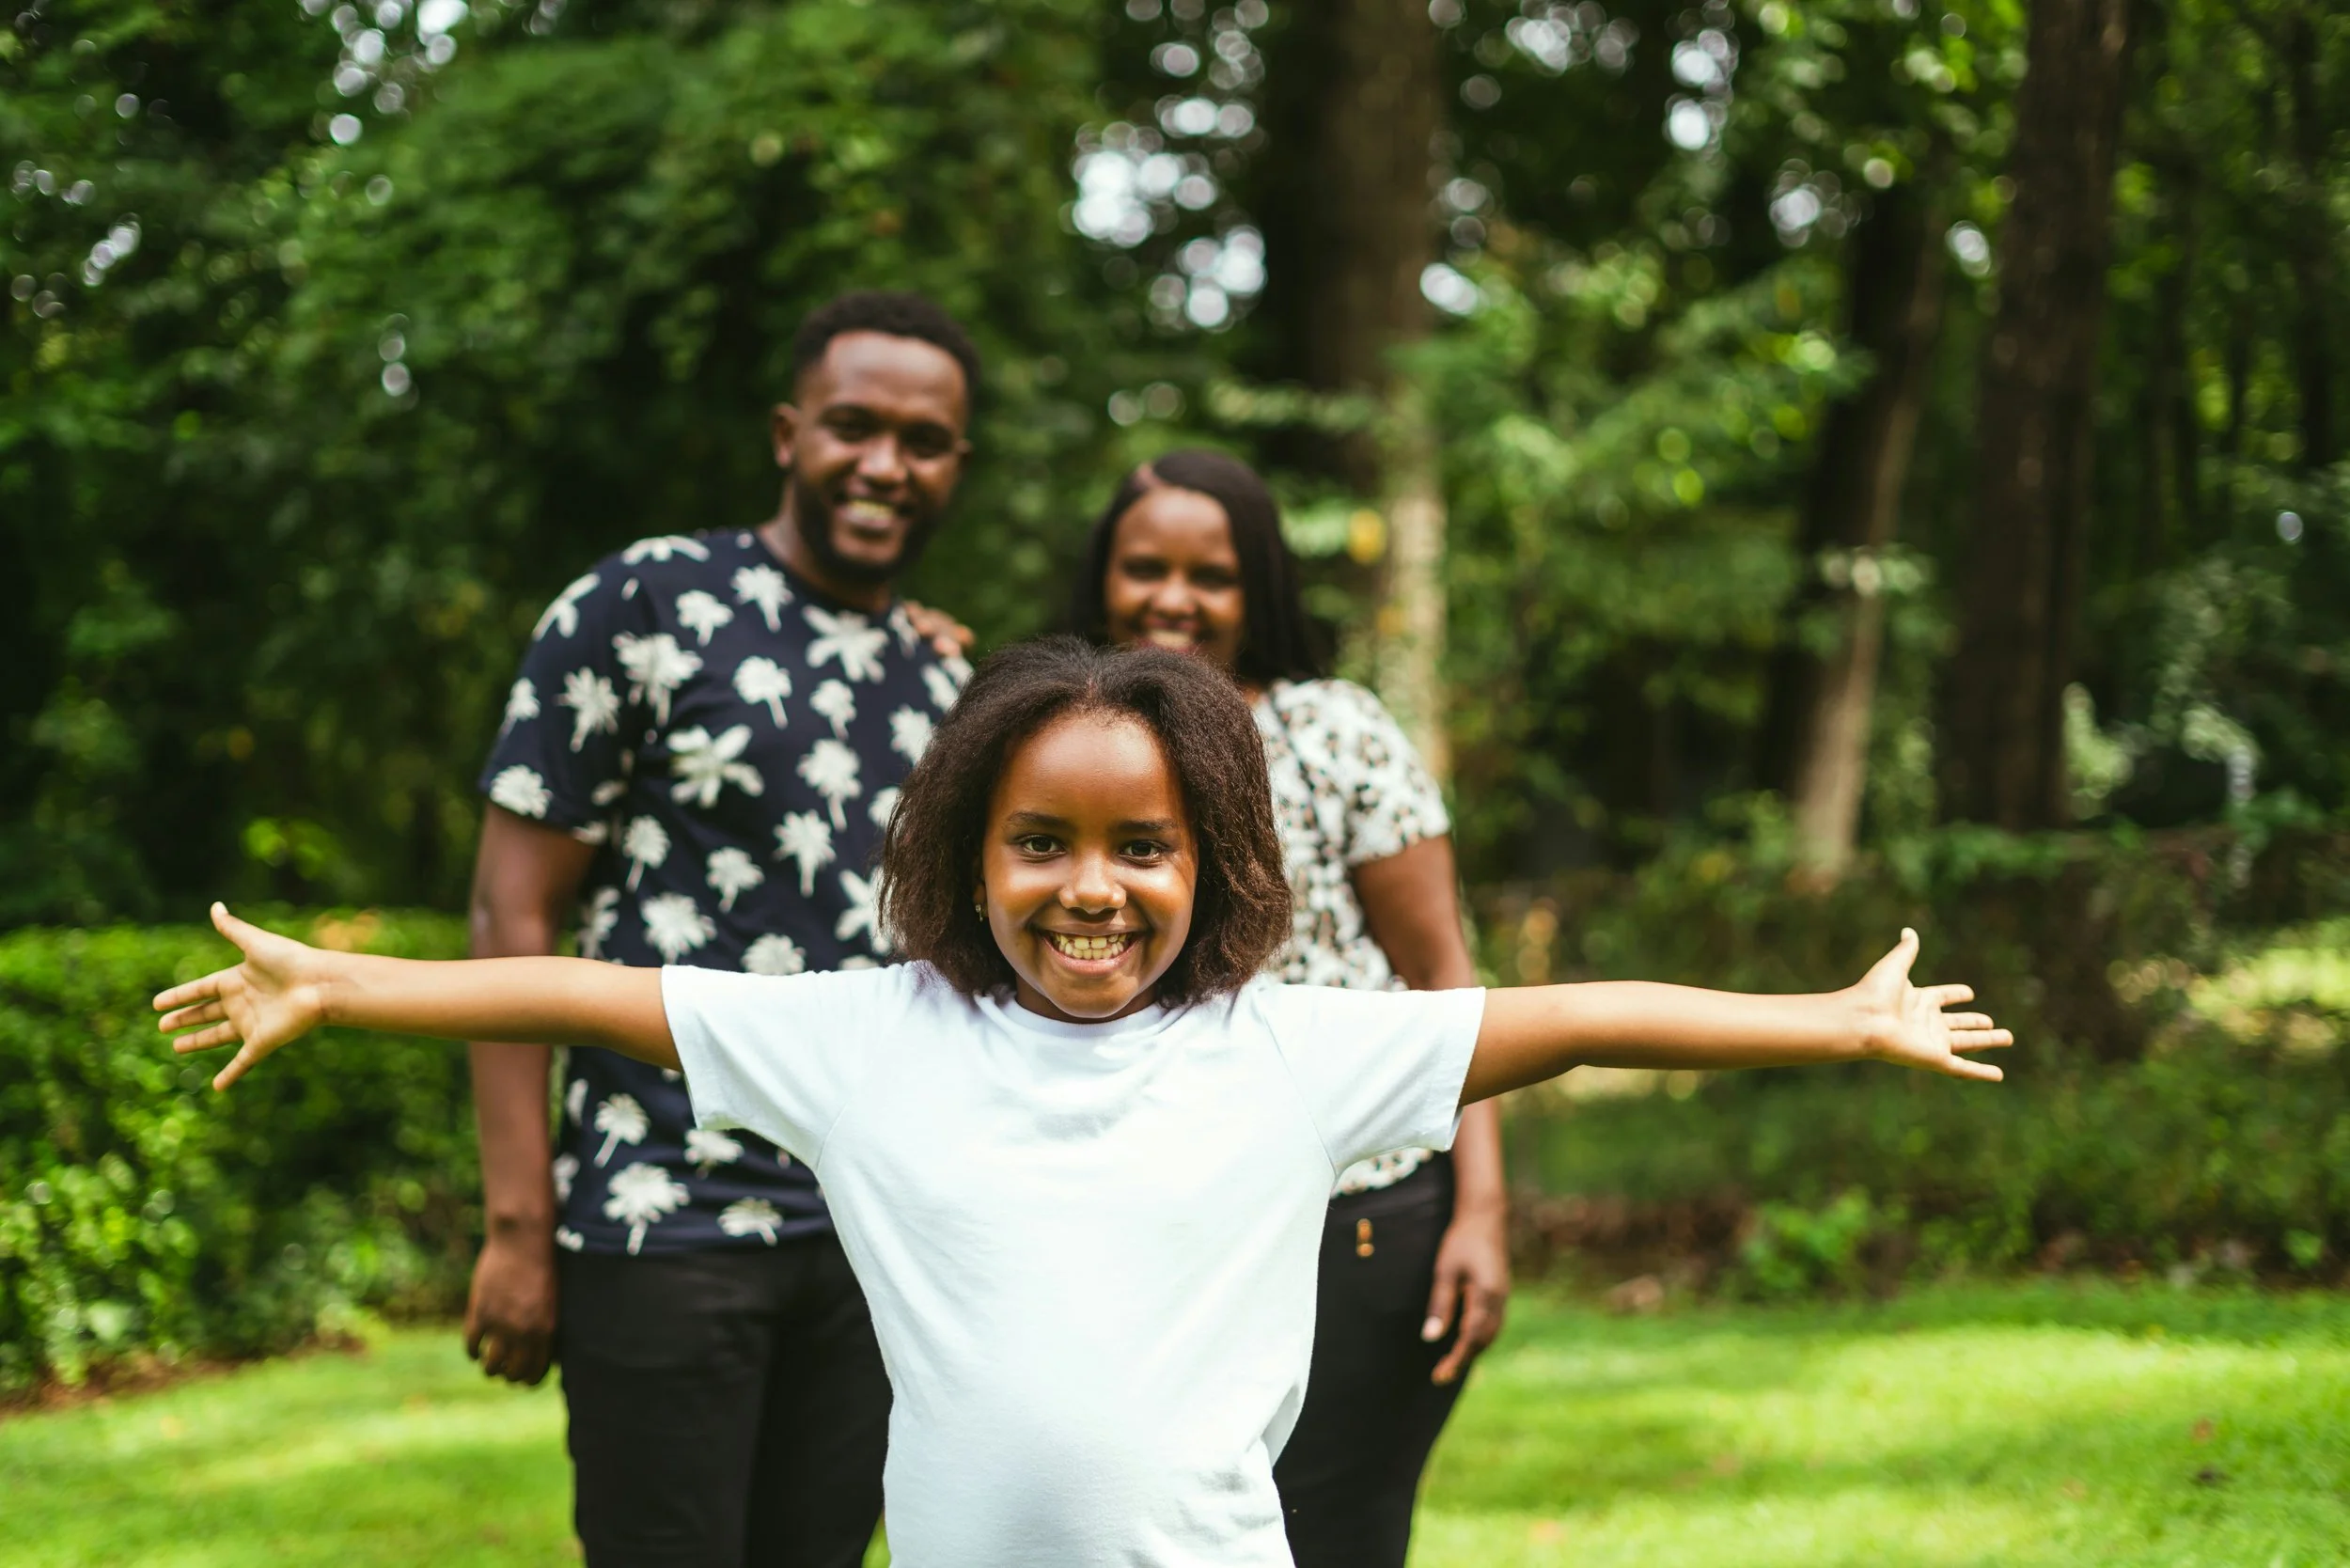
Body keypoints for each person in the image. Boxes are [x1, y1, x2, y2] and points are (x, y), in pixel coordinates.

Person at [160, 638, 2010, 1568]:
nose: (1087, 887)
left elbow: (1576, 1015)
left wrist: (1830, 1024)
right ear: (969, 859)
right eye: (1037, 844)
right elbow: (584, 985)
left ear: (1213, 867)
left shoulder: (1293, 1050)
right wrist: (340, 984)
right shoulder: (872, 1037)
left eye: (1141, 847)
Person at [462, 288, 979, 1566]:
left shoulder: (952, 682)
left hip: (873, 1237)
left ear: (955, 466)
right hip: (661, 1213)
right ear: (787, 431)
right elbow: (510, 909)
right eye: (853, 426)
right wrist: (521, 1227)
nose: (884, 465)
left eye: (924, 442)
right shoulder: (643, 603)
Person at [1070, 449, 1504, 1566]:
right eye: (1144, 567)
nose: (1174, 597)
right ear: (1102, 578)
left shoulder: (1334, 732)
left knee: (1331, 1534)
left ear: (1255, 586)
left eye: (1209, 574)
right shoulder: (1064, 741)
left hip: (1356, 1217)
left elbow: (1445, 980)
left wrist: (1481, 1211)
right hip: (1145, 1212)